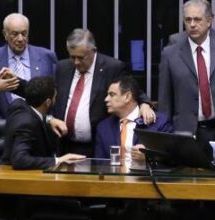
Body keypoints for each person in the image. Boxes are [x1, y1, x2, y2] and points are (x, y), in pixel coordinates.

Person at [54, 29, 155, 157]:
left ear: (93, 50)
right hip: (65, 145)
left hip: (97, 145)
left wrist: (145, 104)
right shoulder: (62, 67)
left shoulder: (112, 67)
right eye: (72, 57)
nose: (76, 62)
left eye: (81, 57)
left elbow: (131, 89)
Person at [158, 0, 215, 144]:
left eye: (197, 19)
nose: (192, 24)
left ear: (209, 21)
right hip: (185, 132)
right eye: (188, 20)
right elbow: (165, 100)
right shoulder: (170, 53)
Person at [2, 76, 84, 169]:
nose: (55, 100)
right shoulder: (27, 124)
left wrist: (49, 119)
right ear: (48, 102)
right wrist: (58, 160)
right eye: (55, 97)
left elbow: (36, 114)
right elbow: (19, 159)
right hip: (19, 176)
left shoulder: (17, 105)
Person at [94, 76, 173, 164]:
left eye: (112, 95)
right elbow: (99, 164)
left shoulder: (159, 122)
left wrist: (148, 157)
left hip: (145, 173)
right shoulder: (103, 127)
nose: (106, 99)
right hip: (113, 173)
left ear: (127, 96)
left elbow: (171, 159)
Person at [0, 13, 57, 119]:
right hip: (2, 124)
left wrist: (48, 120)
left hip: (38, 124)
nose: (20, 39)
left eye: (24, 33)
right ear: (5, 34)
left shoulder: (46, 56)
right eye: (15, 34)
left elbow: (54, 95)